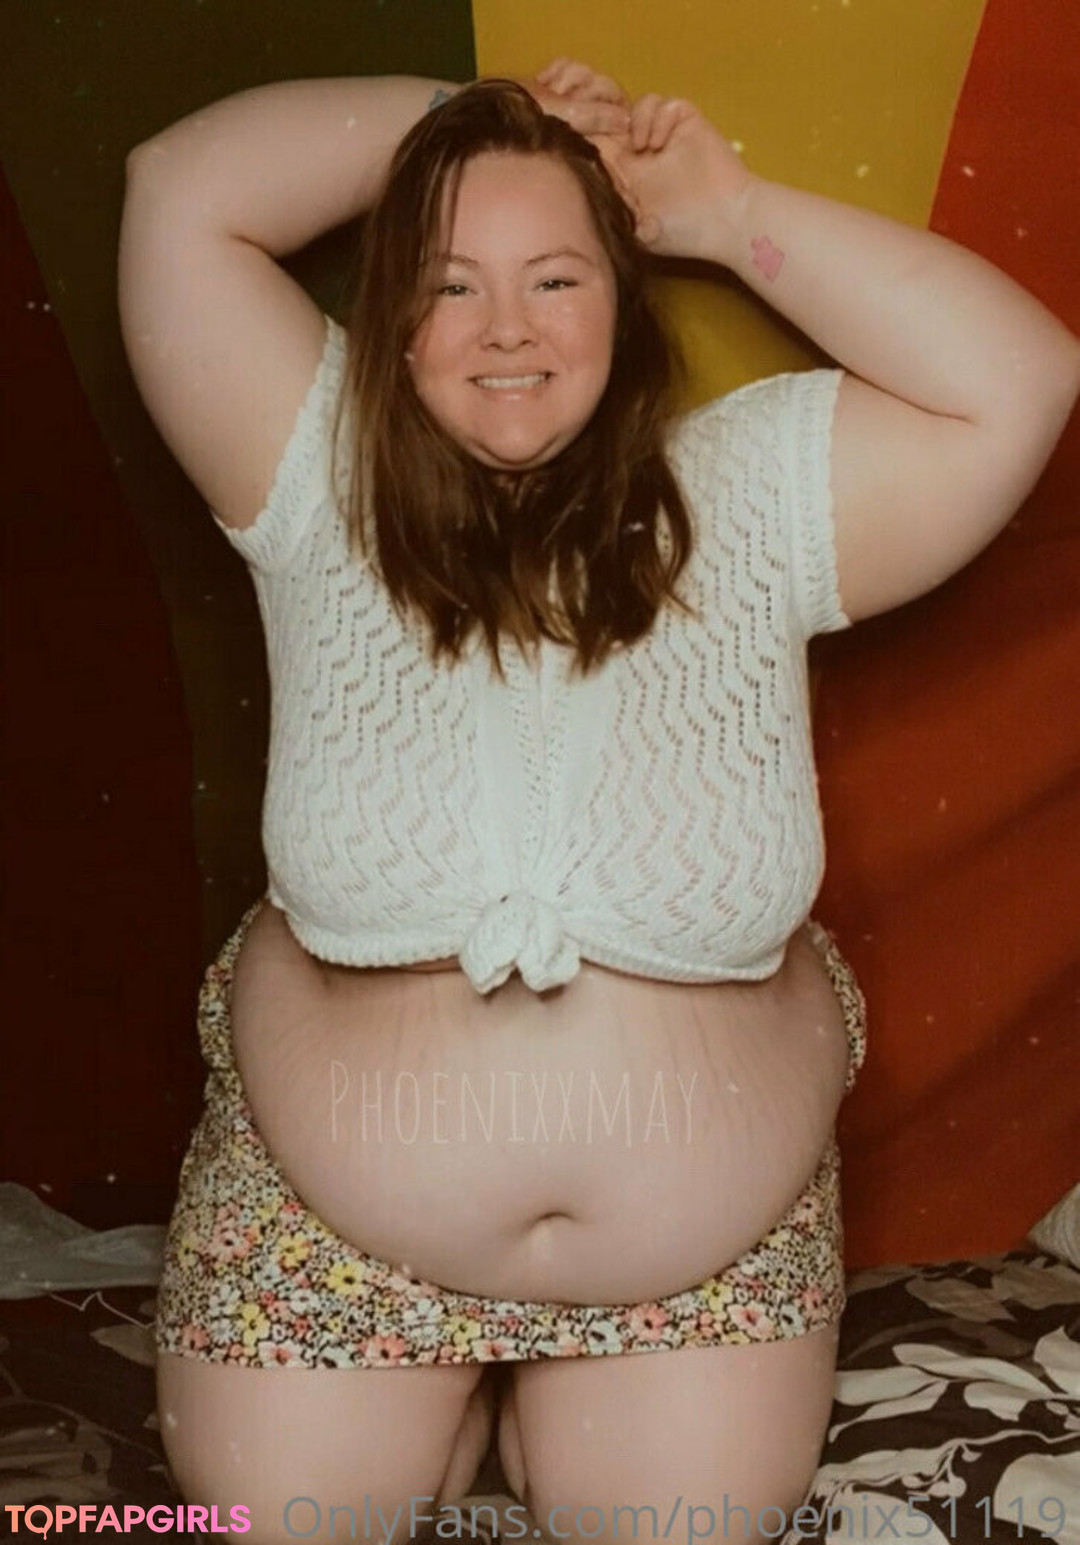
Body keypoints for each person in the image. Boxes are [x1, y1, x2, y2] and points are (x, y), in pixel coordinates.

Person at [118, 56, 1079, 1545]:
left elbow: (1021, 379)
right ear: (394, 319)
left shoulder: (752, 495)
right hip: (337, 1229)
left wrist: (724, 212)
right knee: (284, 1524)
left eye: (556, 278)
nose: (506, 327)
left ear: (623, 301)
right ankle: (437, 1399)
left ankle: (546, 1404)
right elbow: (181, 191)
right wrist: (482, 119)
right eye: (450, 284)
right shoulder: (313, 473)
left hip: (696, 1255)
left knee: (673, 1529)